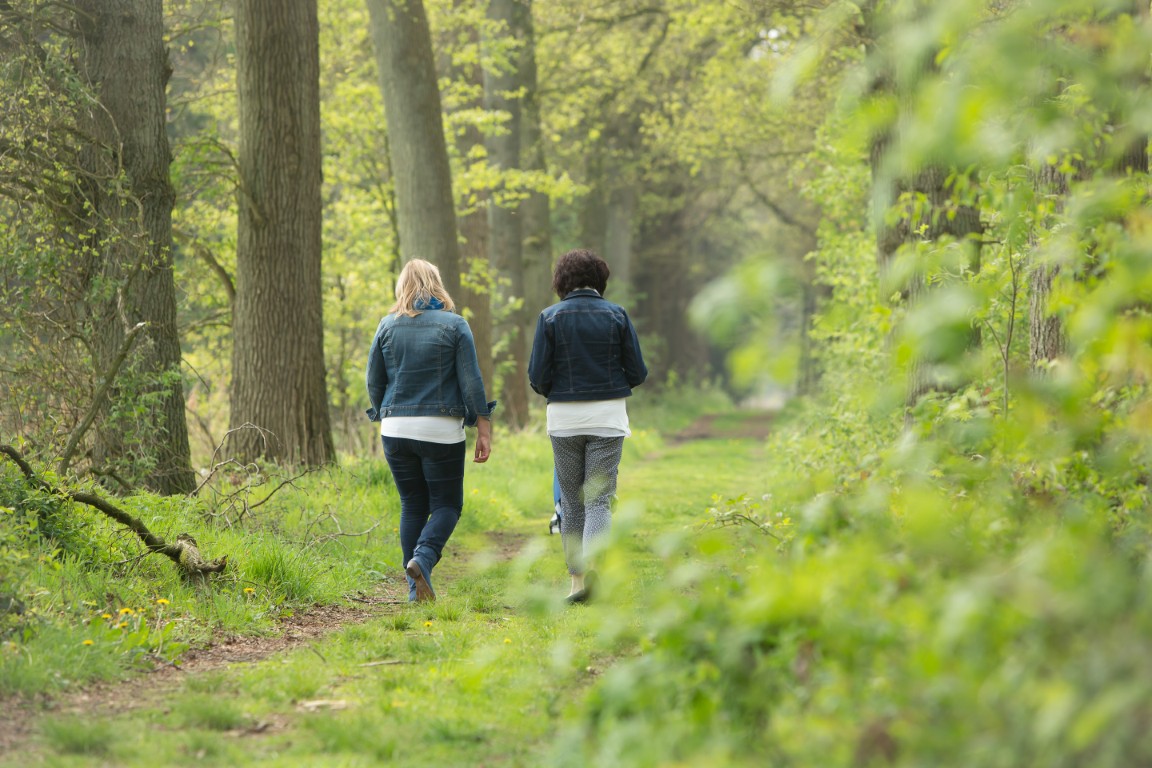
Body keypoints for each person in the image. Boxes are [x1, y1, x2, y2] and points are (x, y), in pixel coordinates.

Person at [366, 259, 495, 602]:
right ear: (436, 284)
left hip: (395, 428)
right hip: (440, 428)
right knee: (447, 505)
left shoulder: (386, 325)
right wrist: (482, 424)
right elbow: (471, 381)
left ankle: (415, 591)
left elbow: (373, 380)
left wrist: (385, 412)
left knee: (412, 505)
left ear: (402, 287)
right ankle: (422, 559)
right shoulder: (455, 324)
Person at [528, 248, 647, 603]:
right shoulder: (617, 315)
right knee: (598, 500)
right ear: (600, 279)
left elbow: (537, 376)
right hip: (607, 419)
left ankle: (577, 584)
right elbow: (638, 371)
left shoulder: (549, 317)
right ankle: (596, 565)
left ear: (561, 281)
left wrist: (559, 393)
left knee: (571, 502)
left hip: (564, 420)